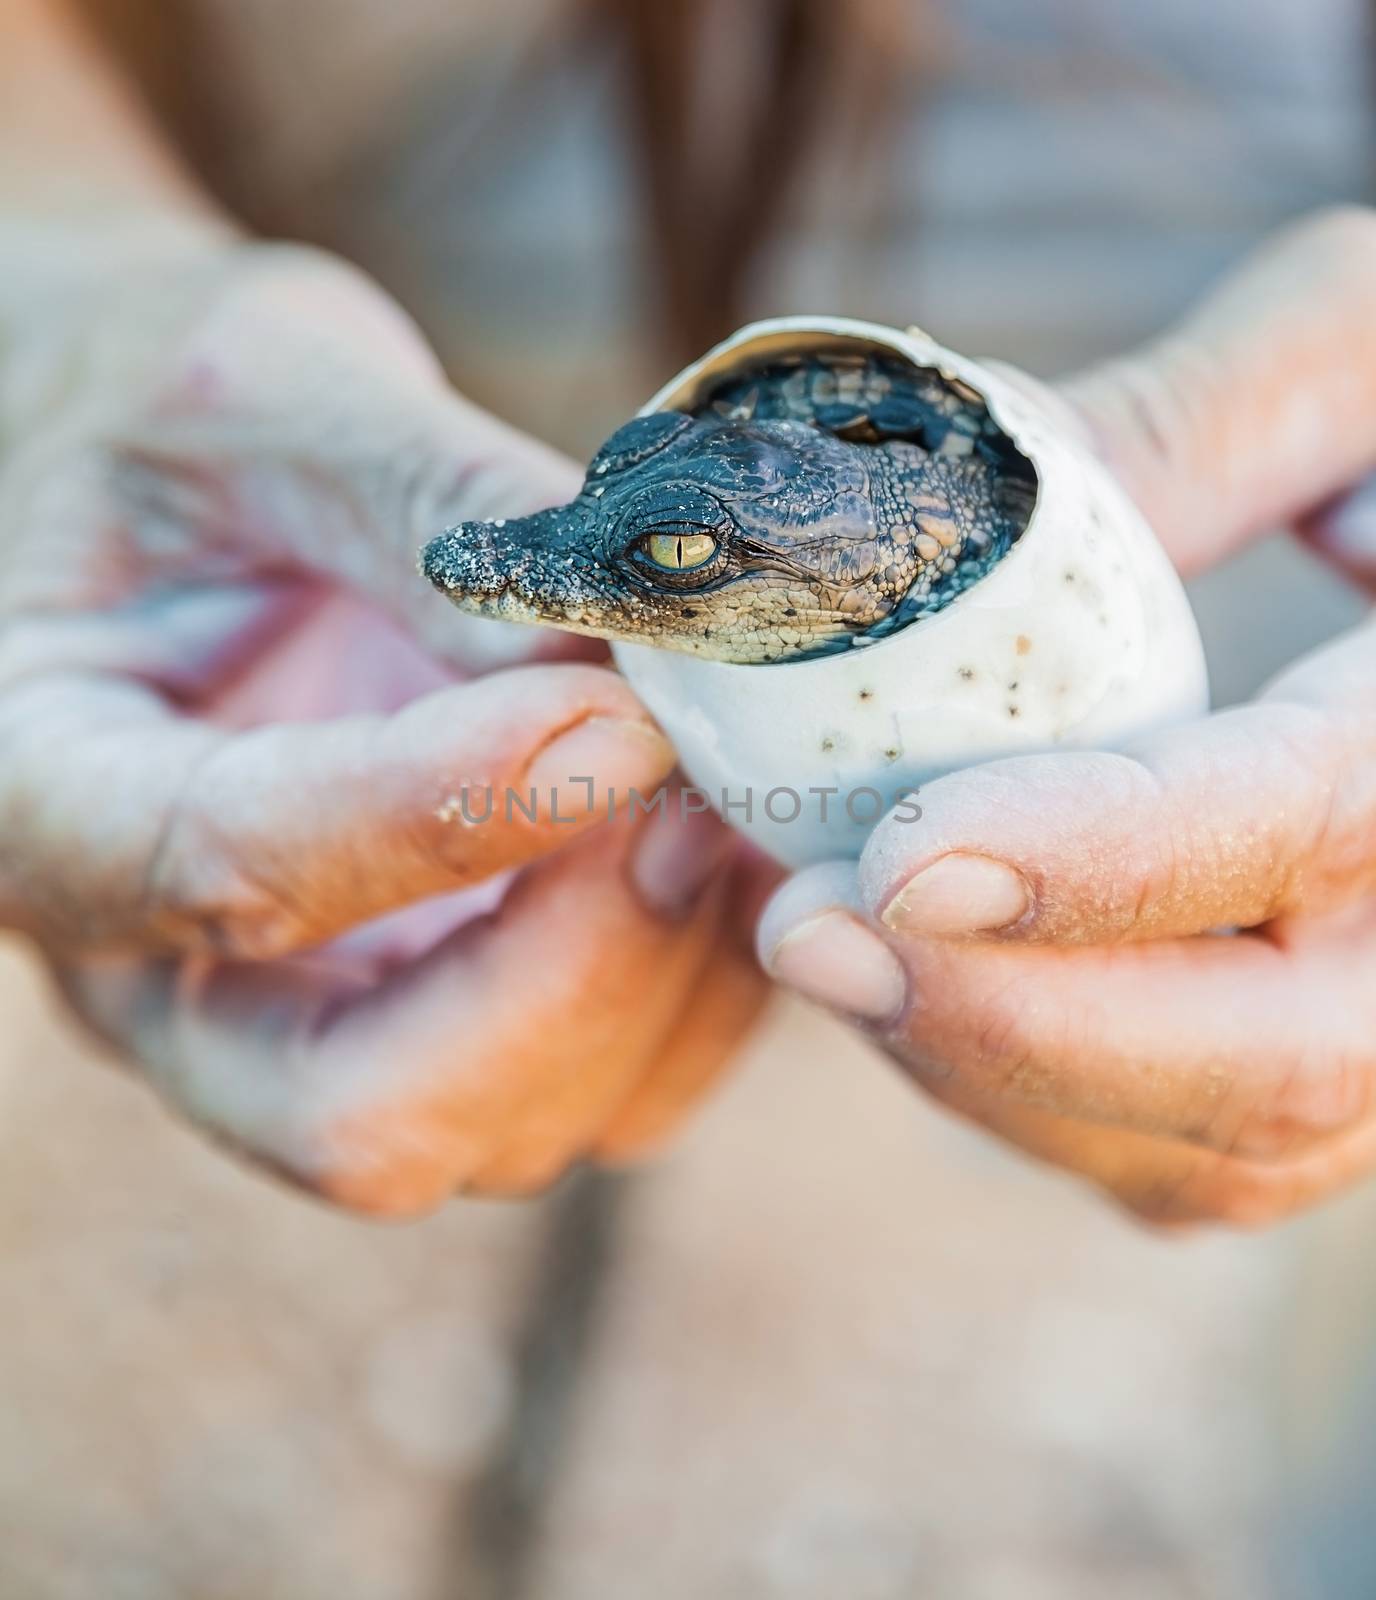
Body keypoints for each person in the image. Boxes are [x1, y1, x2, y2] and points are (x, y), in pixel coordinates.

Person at [3, 0, 1375, 1228]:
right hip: (383, 673)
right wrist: (58, 286)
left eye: (661, 550)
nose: (527, 560)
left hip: (1259, 773)